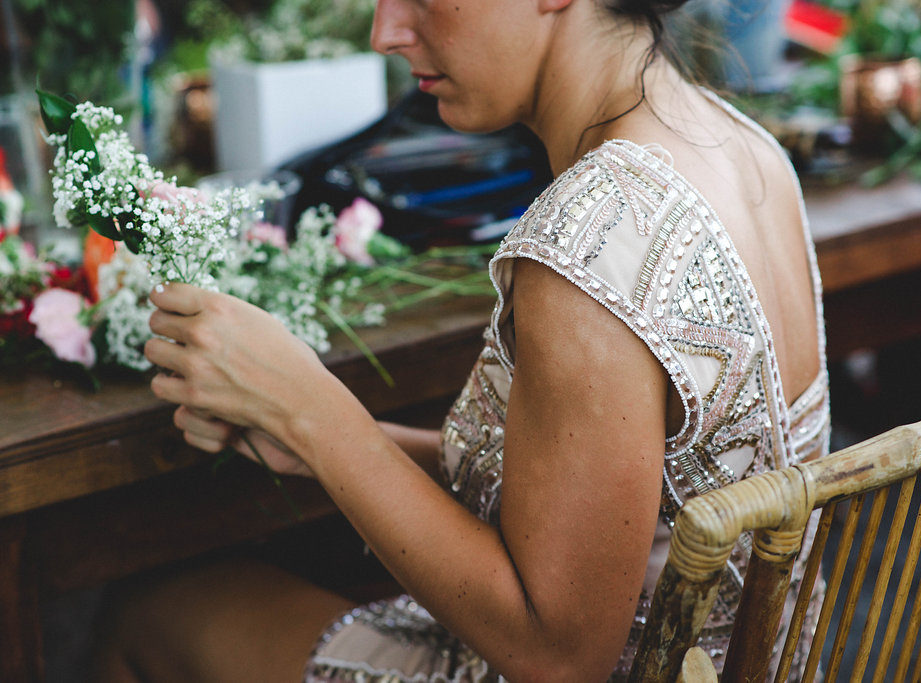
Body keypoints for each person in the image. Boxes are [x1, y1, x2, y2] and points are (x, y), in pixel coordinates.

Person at [95, 0, 830, 679]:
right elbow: (625, 491)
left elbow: (559, 655)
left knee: (146, 614)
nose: (386, 31)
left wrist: (313, 413)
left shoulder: (591, 246)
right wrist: (349, 439)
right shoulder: (744, 148)